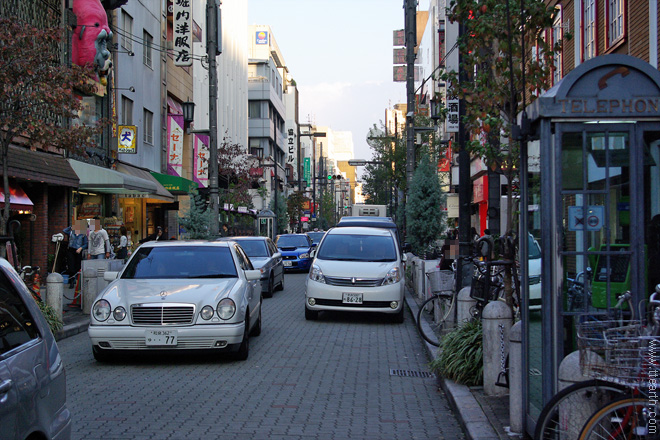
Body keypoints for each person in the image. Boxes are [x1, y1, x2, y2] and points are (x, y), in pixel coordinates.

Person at [63, 219, 88, 288]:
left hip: (78, 251)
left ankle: (76, 280)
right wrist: (71, 227)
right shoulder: (71, 232)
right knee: (71, 266)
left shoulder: (83, 234)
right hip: (71, 250)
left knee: (77, 266)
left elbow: (86, 244)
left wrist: (81, 248)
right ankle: (71, 281)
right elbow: (64, 231)